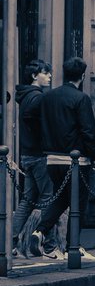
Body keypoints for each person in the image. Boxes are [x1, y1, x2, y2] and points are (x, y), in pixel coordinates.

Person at [30, 57, 95, 258]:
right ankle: (74, 247)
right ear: (82, 75)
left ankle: (40, 231)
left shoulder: (47, 97)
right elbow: (88, 131)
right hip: (76, 161)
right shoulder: (81, 99)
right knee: (78, 203)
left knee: (61, 199)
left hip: (52, 160)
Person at [12, 60, 54, 256]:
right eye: (45, 73)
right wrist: (46, 139)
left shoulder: (26, 96)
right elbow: (33, 119)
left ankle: (9, 240)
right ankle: (47, 243)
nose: (49, 76)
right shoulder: (37, 97)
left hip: (28, 154)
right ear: (34, 76)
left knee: (28, 200)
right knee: (47, 198)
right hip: (38, 155)